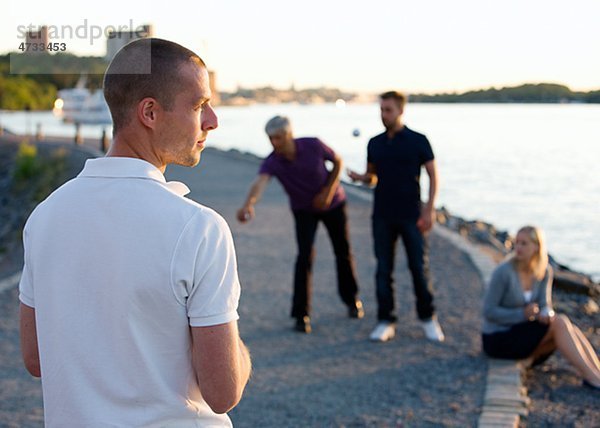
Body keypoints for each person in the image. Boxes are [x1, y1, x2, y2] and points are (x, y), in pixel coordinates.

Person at [19, 38, 251, 427]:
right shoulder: (199, 228)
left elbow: (36, 358)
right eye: (198, 105)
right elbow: (223, 392)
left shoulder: (44, 217)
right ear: (150, 112)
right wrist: (239, 353)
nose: (212, 120)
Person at [237, 115, 363, 333]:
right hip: (304, 210)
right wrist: (248, 204)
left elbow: (338, 161)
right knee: (304, 257)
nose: (274, 143)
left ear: (288, 135)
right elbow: (260, 182)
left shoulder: (312, 144)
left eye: (277, 138)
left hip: (333, 205)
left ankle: (352, 300)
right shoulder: (273, 161)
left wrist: (327, 191)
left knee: (342, 251)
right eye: (270, 139)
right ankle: (301, 315)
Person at [347, 91, 445, 343]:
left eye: (388, 110)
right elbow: (373, 177)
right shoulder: (375, 143)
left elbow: (434, 175)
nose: (383, 114)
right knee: (383, 270)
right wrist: (360, 178)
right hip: (382, 215)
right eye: (381, 110)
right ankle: (385, 320)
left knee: (418, 269)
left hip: (412, 214)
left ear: (401, 110)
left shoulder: (418, 141)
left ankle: (428, 318)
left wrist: (429, 209)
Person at [482, 225, 600, 390]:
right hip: (498, 338)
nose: (519, 247)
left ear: (537, 247)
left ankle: (596, 373)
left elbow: (545, 305)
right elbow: (489, 312)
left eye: (524, 243)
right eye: (517, 242)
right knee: (560, 323)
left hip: (524, 335)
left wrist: (546, 314)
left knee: (565, 324)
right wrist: (522, 314)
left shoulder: (544, 271)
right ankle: (593, 378)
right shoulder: (503, 272)